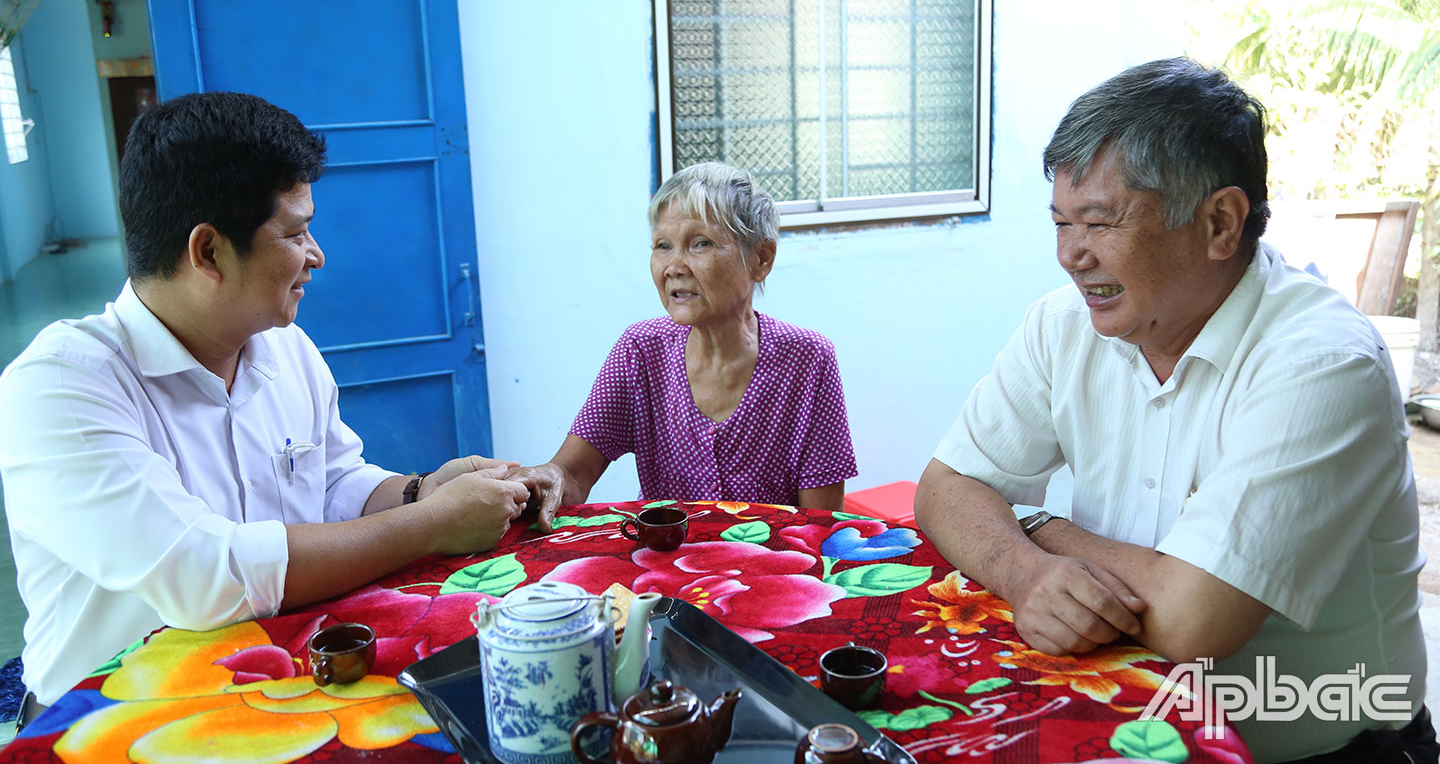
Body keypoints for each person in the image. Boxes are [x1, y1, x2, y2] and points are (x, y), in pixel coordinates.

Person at [915, 57, 1433, 764]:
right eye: (1060, 222)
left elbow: (1193, 618)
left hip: (1327, 745)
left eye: (1099, 222)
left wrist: (1038, 525)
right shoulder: (1063, 324)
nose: (1070, 255)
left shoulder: (1323, 364)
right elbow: (945, 487)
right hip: (1132, 727)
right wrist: (1023, 570)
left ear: (1220, 222)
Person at [0, 92, 530, 722]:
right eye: (294, 231)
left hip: (272, 683)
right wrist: (433, 524)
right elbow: (203, 575)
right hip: (115, 714)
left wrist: (418, 490)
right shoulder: (62, 385)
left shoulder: (285, 349)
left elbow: (332, 482)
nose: (316, 254)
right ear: (208, 252)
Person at [509, 162, 857, 529]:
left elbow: (821, 523)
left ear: (761, 258)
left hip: (775, 571)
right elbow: (573, 474)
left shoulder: (808, 359)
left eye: (700, 243)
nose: (673, 266)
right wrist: (547, 478)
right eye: (662, 246)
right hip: (664, 574)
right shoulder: (641, 352)